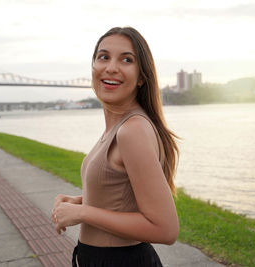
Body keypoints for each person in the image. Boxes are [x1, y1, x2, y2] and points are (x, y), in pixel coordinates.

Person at [51, 27, 180, 266]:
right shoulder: (119, 127)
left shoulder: (132, 130)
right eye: (103, 57)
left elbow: (165, 229)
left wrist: (83, 213)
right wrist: (80, 202)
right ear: (93, 67)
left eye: (126, 59)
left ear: (141, 76)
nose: (111, 67)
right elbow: (123, 196)